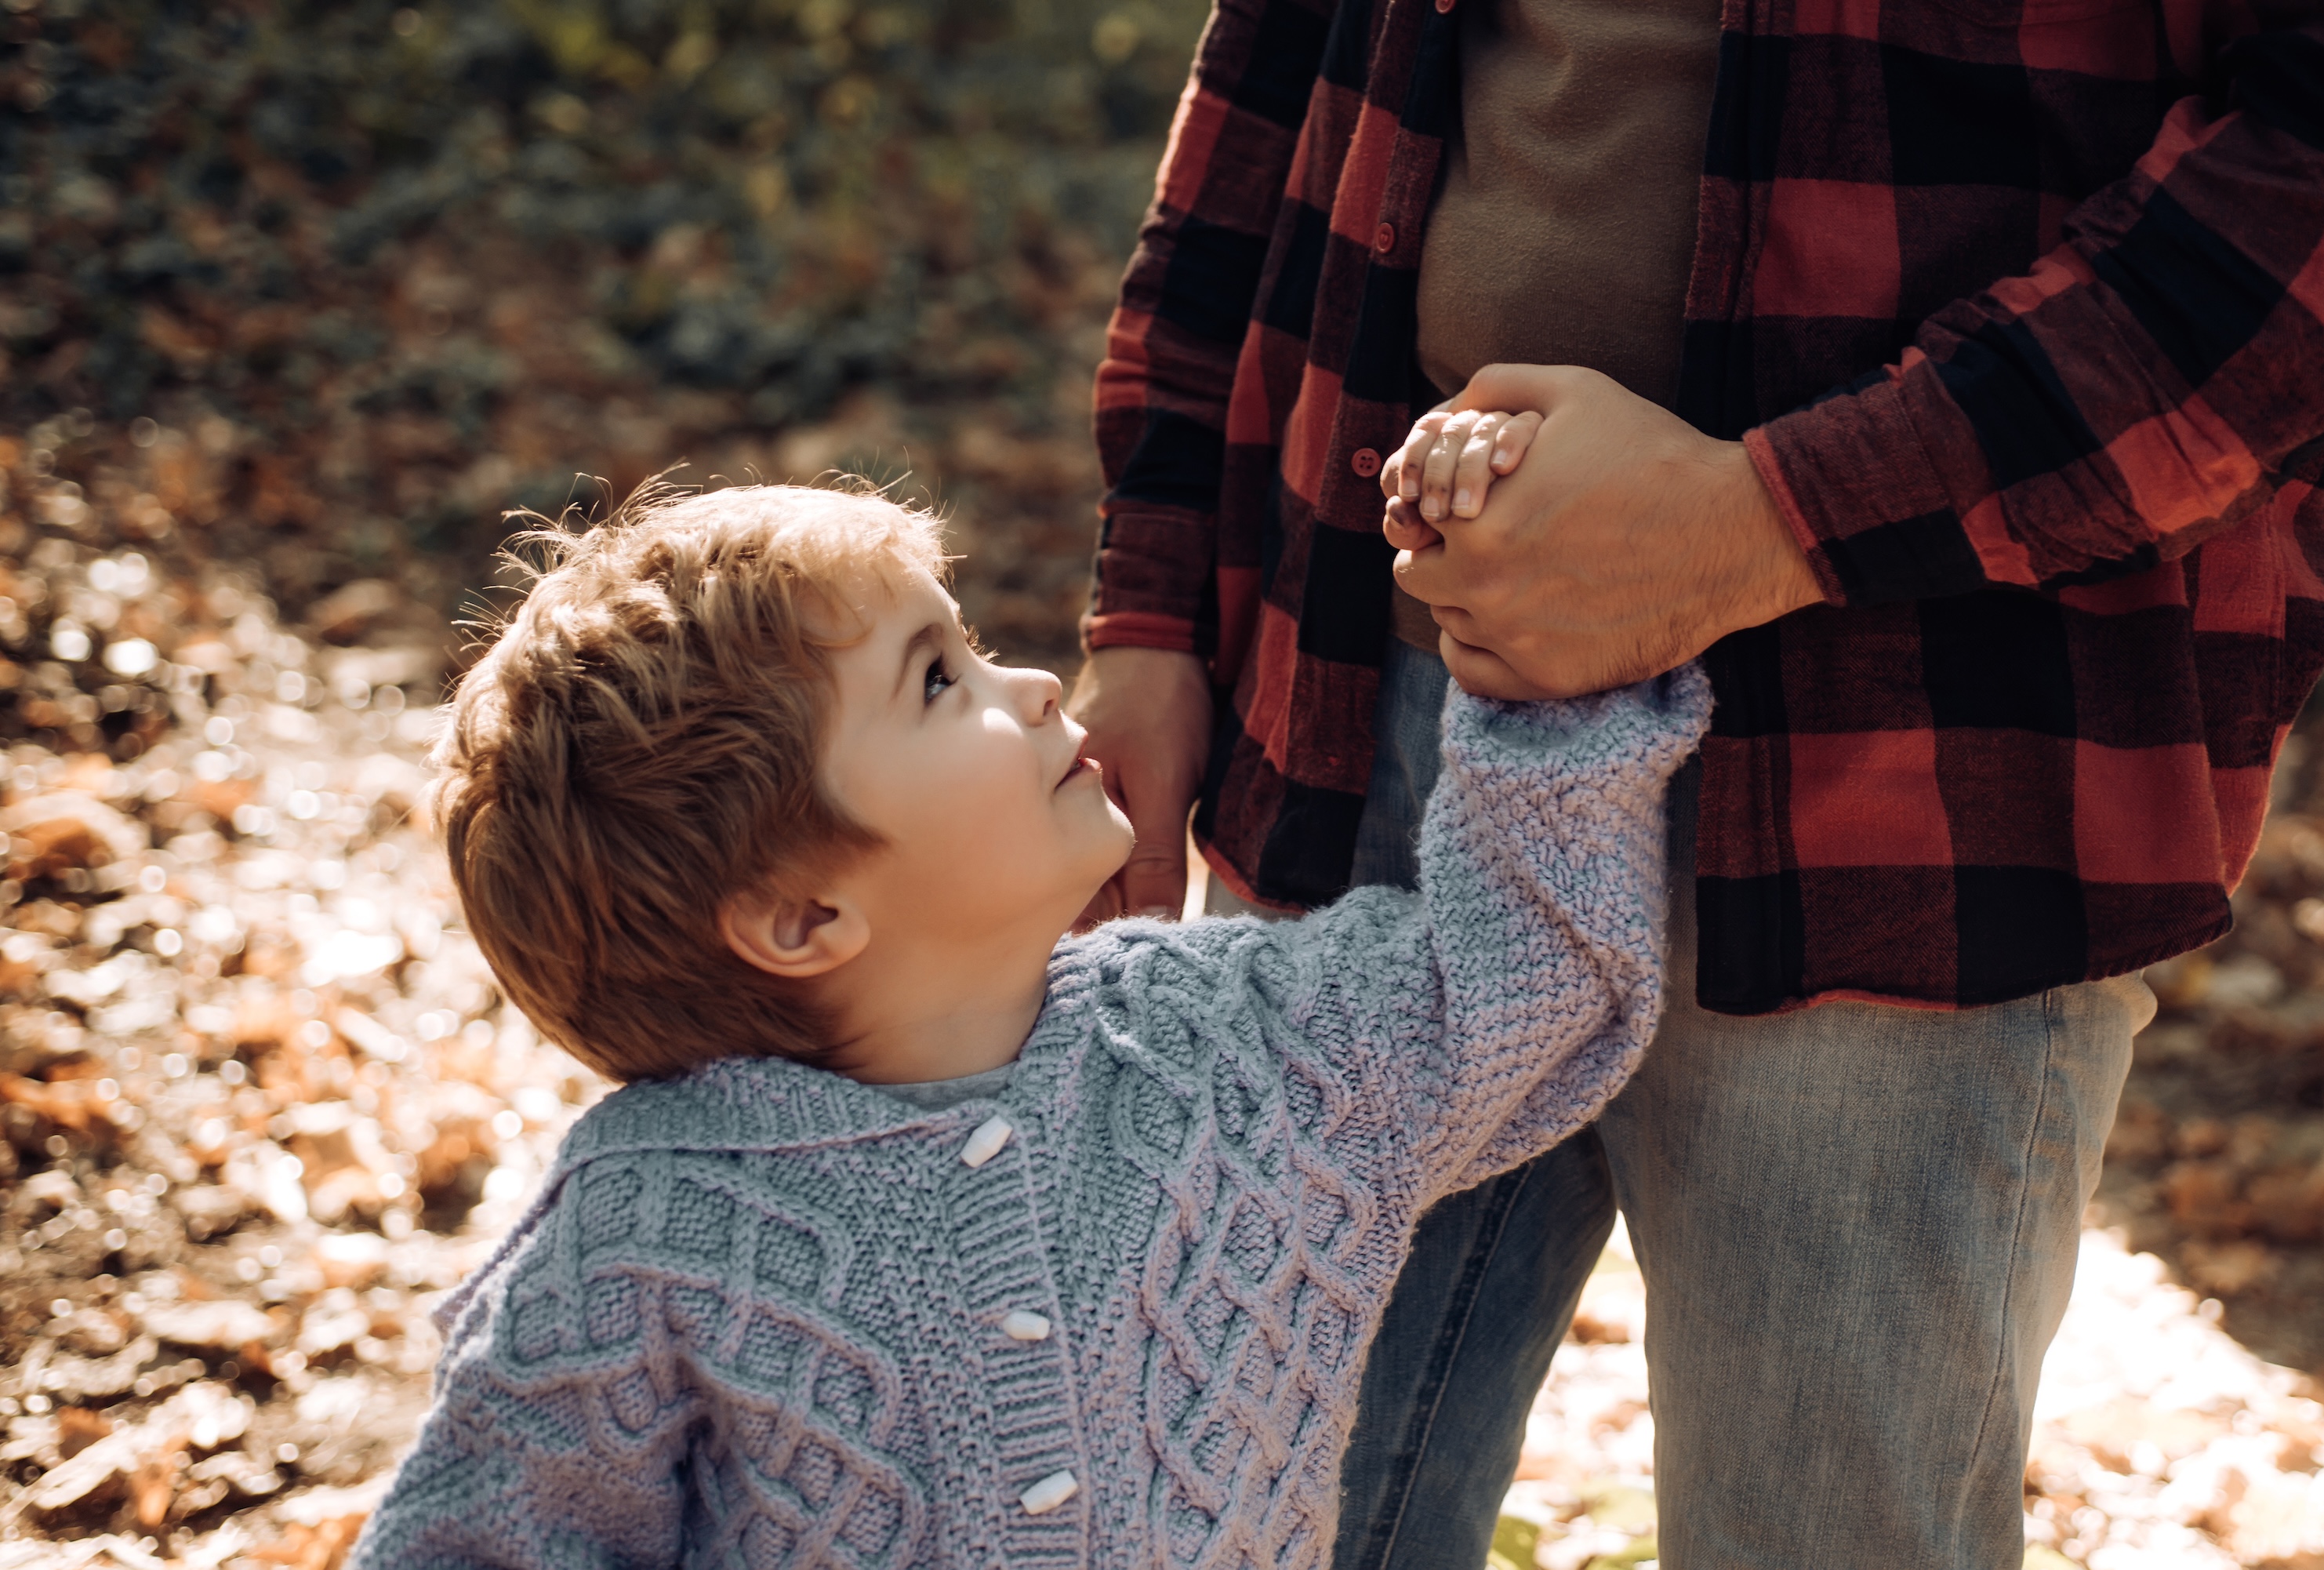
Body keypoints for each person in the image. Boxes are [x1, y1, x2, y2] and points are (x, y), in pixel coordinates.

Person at [1071, 2, 2324, 1566]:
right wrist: (1147, 605)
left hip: (1920, 752)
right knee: (1251, 1522)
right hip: (1373, 683)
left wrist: (1760, 519)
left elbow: (2321, 165)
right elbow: (1279, 61)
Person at [348, 480, 1708, 1568]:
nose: (1038, 687)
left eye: (976, 644)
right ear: (804, 916)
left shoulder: (1244, 1045)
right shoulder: (649, 1230)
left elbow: (1519, 981)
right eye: (939, 679)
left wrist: (1550, 674)